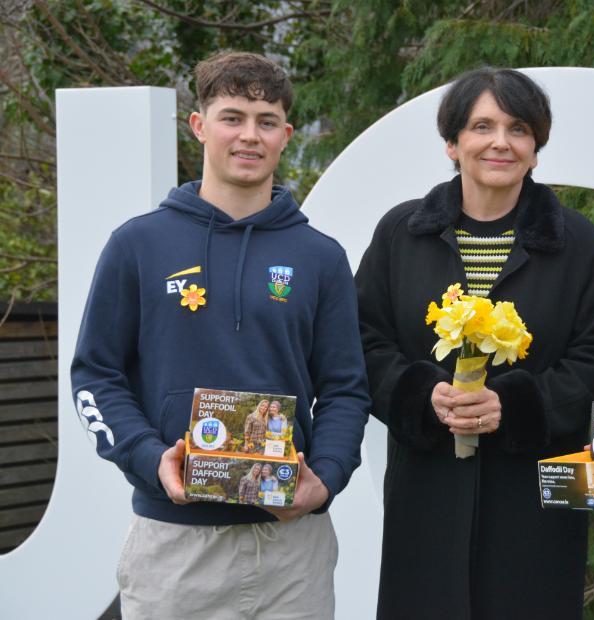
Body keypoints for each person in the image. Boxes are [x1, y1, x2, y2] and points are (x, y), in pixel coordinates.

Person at [71, 51, 370, 619]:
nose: (248, 136)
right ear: (199, 126)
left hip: (292, 549)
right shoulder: (137, 245)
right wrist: (146, 455)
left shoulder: (321, 257)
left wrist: (325, 478)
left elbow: (346, 389)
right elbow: (95, 375)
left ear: (285, 134)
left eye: (265, 121)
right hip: (174, 547)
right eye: (232, 117)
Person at [356, 67, 594, 620]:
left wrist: (517, 404)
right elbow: (363, 340)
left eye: (518, 128)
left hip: (535, 491)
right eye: (482, 126)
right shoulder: (401, 234)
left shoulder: (577, 244)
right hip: (427, 486)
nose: (500, 142)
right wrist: (420, 395)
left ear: (535, 148)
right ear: (452, 144)